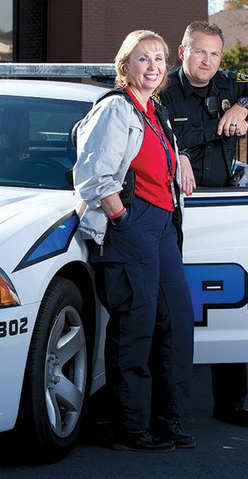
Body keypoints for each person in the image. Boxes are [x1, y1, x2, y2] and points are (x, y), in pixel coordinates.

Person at [157, 20, 248, 427]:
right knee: (170, 309)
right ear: (183, 52)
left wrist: (244, 106)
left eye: (215, 54)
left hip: (222, 208)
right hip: (171, 209)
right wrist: (176, 150)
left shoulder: (230, 85)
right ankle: (166, 408)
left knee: (227, 302)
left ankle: (231, 402)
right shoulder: (162, 89)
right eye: (200, 52)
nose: (207, 61)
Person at [74, 30, 196, 452]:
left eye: (160, 59)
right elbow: (92, 176)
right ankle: (131, 429)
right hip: (131, 227)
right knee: (135, 329)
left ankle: (169, 420)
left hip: (162, 227)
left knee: (175, 323)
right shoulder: (115, 109)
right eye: (143, 58)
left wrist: (178, 156)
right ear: (125, 66)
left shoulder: (155, 112)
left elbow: (156, 159)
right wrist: (121, 218)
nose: (154, 66)